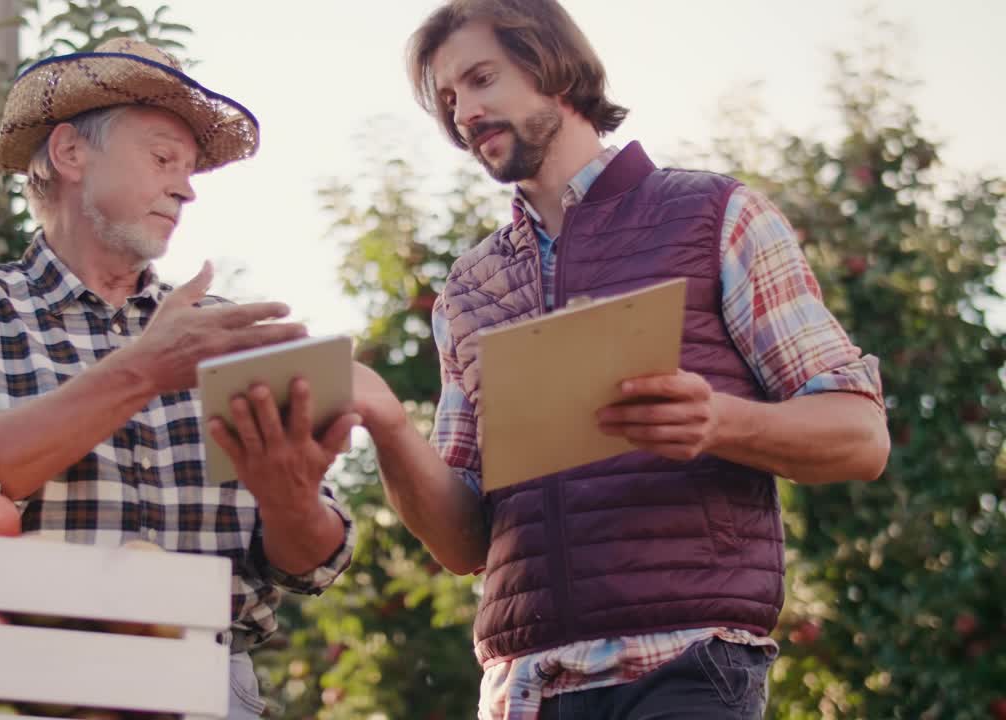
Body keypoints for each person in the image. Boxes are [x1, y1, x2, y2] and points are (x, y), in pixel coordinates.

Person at [349, 2, 891, 717]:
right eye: (449, 99)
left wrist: (719, 422)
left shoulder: (715, 216)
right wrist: (387, 425)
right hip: (525, 688)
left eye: (482, 79)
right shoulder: (467, 290)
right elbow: (464, 542)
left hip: (689, 668)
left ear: (553, 67)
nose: (464, 112)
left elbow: (861, 437)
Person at [0, 38, 357, 719]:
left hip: (210, 684)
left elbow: (316, 560)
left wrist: (291, 499)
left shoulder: (219, 335)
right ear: (71, 154)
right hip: (19, 680)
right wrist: (142, 370)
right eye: (163, 158)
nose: (186, 188)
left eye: (191, 170)